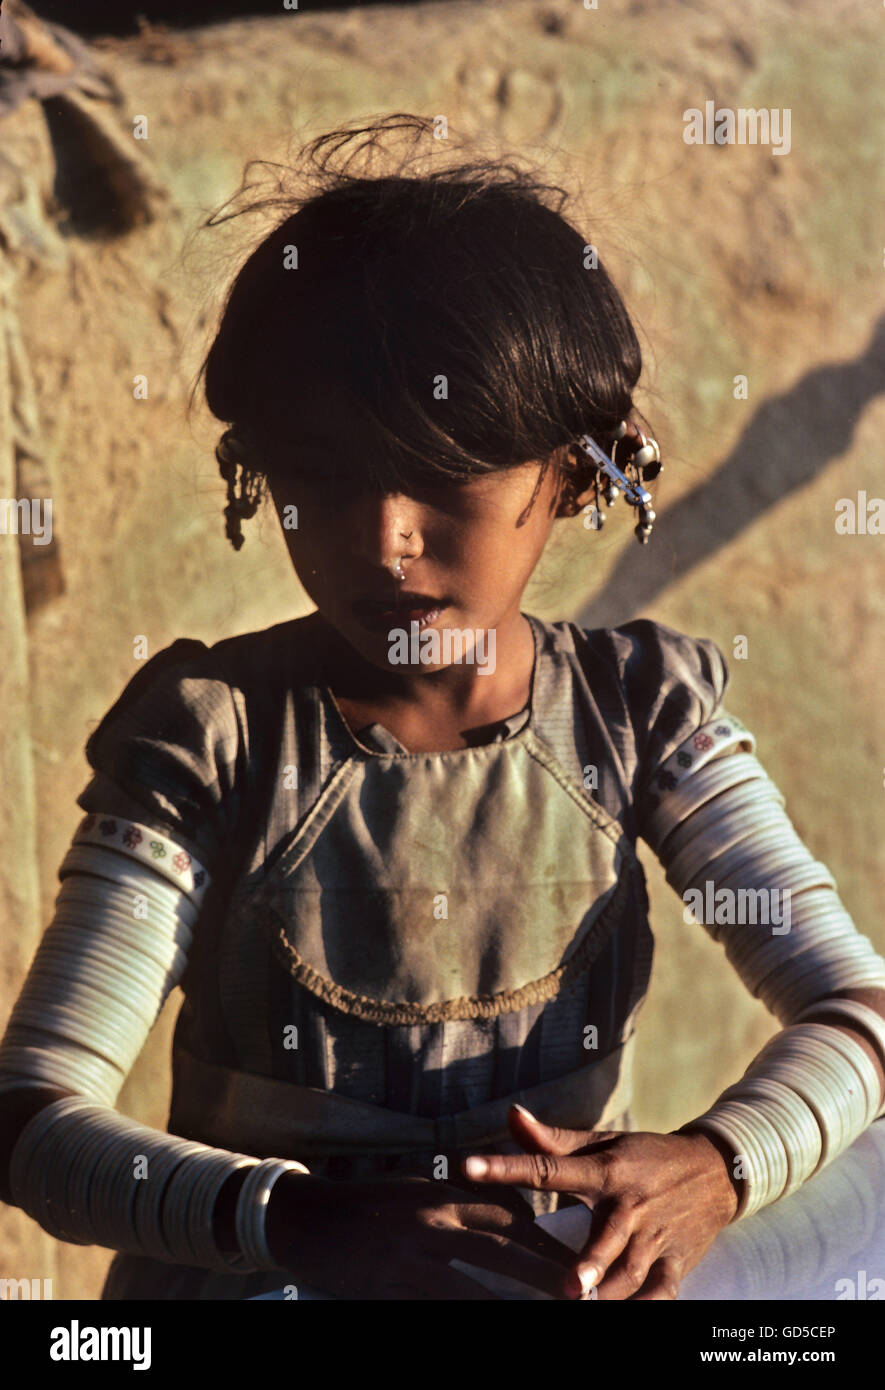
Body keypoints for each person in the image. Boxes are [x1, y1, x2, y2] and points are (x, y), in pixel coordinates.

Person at [2, 113, 884, 1302]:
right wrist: (301, 1223)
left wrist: (714, 1166)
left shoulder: (639, 713)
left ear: (580, 472)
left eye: (445, 471)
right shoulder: (216, 738)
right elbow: (32, 1119)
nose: (386, 542)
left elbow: (857, 1008)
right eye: (324, 473)